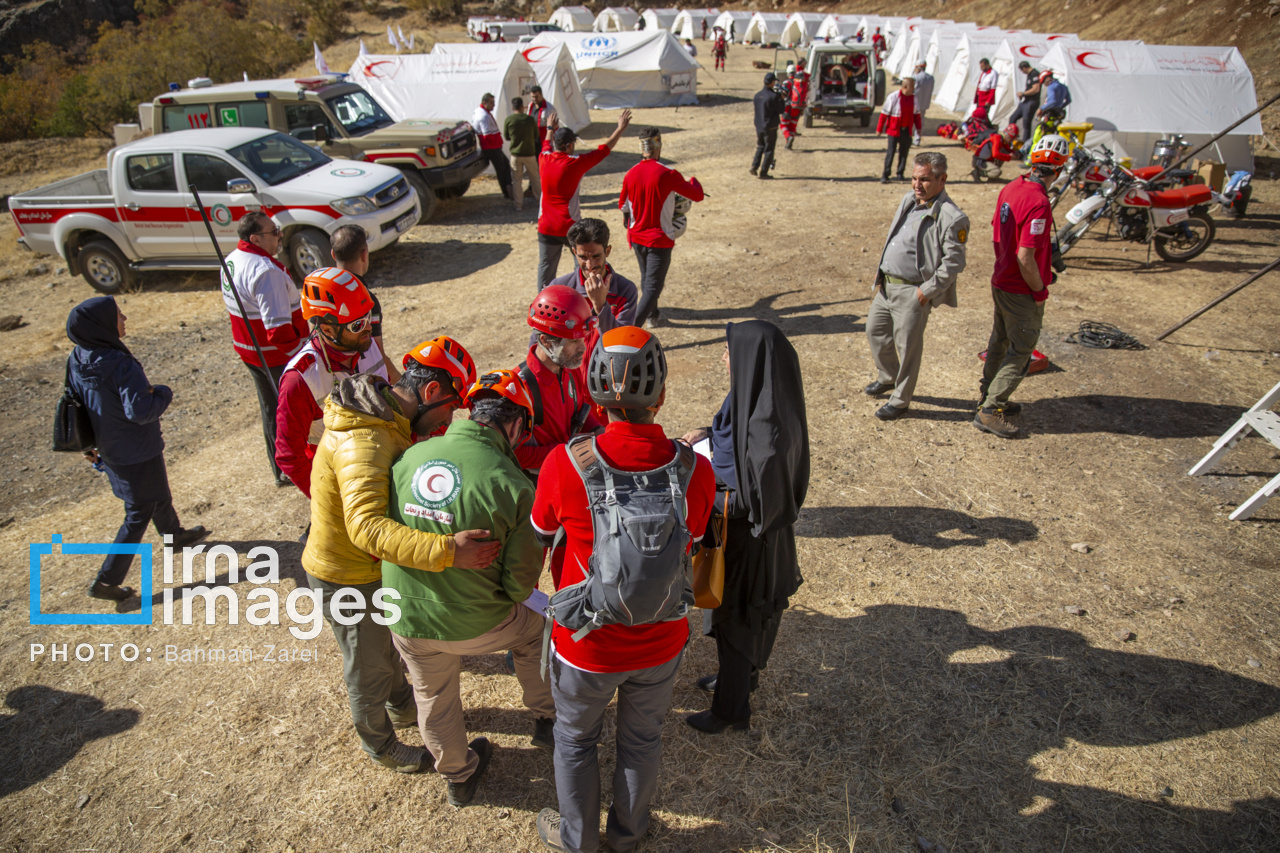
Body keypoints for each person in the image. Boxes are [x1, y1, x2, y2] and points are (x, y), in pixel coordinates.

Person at [532, 326, 715, 853]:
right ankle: (628, 835)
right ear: (662, 396)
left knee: (575, 741)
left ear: (594, 398)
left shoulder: (564, 463)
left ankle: (578, 842)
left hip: (585, 645)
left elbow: (541, 533)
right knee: (642, 740)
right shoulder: (696, 469)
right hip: (661, 640)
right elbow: (696, 537)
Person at [302, 337, 502, 772]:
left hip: (369, 568)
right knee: (369, 663)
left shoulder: (385, 421)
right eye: (451, 407)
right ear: (431, 392)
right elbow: (366, 528)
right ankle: (379, 744)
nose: (449, 419)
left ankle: (402, 707)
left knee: (386, 648)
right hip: (346, 575)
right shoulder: (365, 440)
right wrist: (448, 551)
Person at [384, 368, 554, 809]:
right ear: (515, 424)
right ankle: (547, 718)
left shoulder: (410, 456)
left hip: (405, 615)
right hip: (476, 621)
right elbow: (519, 584)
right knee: (537, 631)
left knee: (432, 694)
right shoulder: (514, 484)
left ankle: (458, 776)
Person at [680, 321, 809, 734]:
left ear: (750, 360)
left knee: (737, 621)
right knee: (745, 620)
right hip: (757, 540)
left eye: (729, 351)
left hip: (749, 543)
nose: (723, 357)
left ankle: (730, 711)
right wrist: (705, 435)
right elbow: (731, 441)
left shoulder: (766, 434)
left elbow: (750, 500)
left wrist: (701, 486)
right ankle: (740, 681)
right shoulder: (760, 397)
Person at [68, 297, 208, 601]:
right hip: (138, 449)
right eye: (119, 315)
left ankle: (173, 535)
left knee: (156, 492)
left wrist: (89, 445)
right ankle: (106, 581)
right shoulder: (121, 363)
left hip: (110, 448)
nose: (125, 319)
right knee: (139, 511)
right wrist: (163, 392)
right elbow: (141, 411)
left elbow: (75, 403)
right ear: (103, 325)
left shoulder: (77, 357)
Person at [975, 135, 1070, 439]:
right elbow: (1025, 256)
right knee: (1021, 351)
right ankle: (990, 410)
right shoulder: (1039, 202)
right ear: (1059, 169)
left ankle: (988, 395)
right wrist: (1040, 291)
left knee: (1000, 341)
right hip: (1021, 289)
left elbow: (998, 234)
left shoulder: (1011, 187)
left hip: (1002, 280)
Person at [865, 152, 969, 421]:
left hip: (912, 292)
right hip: (887, 286)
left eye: (924, 180)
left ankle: (900, 400)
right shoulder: (909, 200)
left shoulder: (952, 217)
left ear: (942, 179)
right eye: (914, 178)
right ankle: (888, 376)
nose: (916, 185)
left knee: (908, 349)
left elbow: (954, 263)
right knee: (875, 332)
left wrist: (926, 292)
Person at [275, 261, 389, 498]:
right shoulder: (300, 380)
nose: (368, 329)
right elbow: (289, 455)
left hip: (379, 463)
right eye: (357, 324)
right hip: (339, 480)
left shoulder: (364, 343)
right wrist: (328, 501)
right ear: (327, 329)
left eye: (368, 317)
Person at [222, 211, 308, 486]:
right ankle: (292, 466)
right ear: (255, 238)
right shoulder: (266, 272)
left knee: (270, 409)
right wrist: (303, 356)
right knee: (290, 413)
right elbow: (279, 331)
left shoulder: (232, 260)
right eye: (274, 232)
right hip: (275, 357)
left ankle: (279, 468)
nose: (280, 235)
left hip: (250, 352)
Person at [536, 110, 633, 290]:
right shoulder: (575, 163)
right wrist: (619, 129)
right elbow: (603, 150)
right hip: (568, 225)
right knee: (582, 266)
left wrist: (550, 127)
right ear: (569, 146)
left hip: (546, 225)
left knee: (546, 267)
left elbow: (546, 143)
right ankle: (582, 297)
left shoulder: (543, 158)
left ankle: (543, 300)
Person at [620, 128, 706, 327]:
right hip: (659, 239)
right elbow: (697, 195)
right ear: (658, 145)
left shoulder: (630, 173)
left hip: (636, 237)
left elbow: (624, 207)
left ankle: (653, 315)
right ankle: (630, 330)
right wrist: (693, 180)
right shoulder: (668, 173)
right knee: (653, 287)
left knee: (647, 279)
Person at [514, 285, 602, 476]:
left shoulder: (569, 368)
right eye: (573, 341)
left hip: (570, 471)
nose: (582, 348)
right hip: (540, 484)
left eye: (583, 339)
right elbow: (516, 455)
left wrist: (598, 431)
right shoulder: (519, 388)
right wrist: (569, 451)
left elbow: (580, 410)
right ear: (546, 341)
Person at [547, 217, 638, 333]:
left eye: (596, 256)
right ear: (574, 252)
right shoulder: (559, 289)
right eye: (583, 257)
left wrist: (600, 305)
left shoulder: (625, 290)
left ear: (607, 251)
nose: (590, 265)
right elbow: (541, 337)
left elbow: (621, 339)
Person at [877, 77, 921, 183]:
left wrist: (918, 128)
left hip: (906, 130)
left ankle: (900, 173)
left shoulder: (914, 99)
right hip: (893, 130)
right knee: (890, 152)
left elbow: (916, 115)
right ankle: (885, 174)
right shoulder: (893, 97)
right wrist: (879, 129)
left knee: (904, 153)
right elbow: (884, 115)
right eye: (912, 87)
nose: (914, 89)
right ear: (905, 87)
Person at [473, 93, 514, 201]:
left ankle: (508, 188)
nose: (493, 105)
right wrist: (496, 142)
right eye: (491, 103)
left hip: (493, 146)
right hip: (492, 147)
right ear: (484, 103)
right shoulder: (483, 116)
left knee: (504, 166)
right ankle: (507, 190)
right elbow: (487, 135)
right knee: (502, 169)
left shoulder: (482, 113)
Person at [504, 96, 540, 212]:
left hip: (516, 155)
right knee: (535, 178)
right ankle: (540, 202)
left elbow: (507, 136)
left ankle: (518, 204)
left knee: (516, 180)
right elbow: (536, 135)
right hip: (529, 153)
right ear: (522, 107)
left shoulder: (509, 120)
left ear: (512, 107)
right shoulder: (530, 120)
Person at [752, 72, 785, 176]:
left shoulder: (757, 96)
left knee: (760, 146)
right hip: (770, 126)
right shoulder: (773, 97)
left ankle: (754, 166)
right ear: (772, 83)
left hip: (759, 125)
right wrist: (782, 100)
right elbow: (781, 110)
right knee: (769, 149)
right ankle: (763, 172)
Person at [1007, 60, 1041, 143]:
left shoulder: (1035, 73)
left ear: (1024, 68)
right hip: (1025, 101)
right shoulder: (1030, 75)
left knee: (1026, 123)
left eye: (1022, 70)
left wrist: (1023, 93)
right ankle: (1010, 137)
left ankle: (1025, 142)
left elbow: (1036, 89)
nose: (1023, 72)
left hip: (1031, 101)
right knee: (1013, 118)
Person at [782, 68, 810, 150]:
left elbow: (784, 94)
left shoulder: (787, 83)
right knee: (792, 126)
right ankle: (789, 144)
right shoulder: (799, 82)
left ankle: (788, 137)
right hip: (797, 107)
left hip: (788, 108)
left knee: (783, 125)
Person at [527, 86, 558, 153]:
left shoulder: (549, 108)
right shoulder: (530, 105)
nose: (534, 99)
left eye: (536, 97)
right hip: (532, 140)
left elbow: (555, 126)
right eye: (532, 97)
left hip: (543, 140)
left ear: (541, 95)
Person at [911, 61, 935, 146]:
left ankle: (909, 138)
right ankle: (917, 140)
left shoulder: (915, 77)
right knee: (920, 122)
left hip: (914, 104)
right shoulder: (931, 78)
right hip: (924, 103)